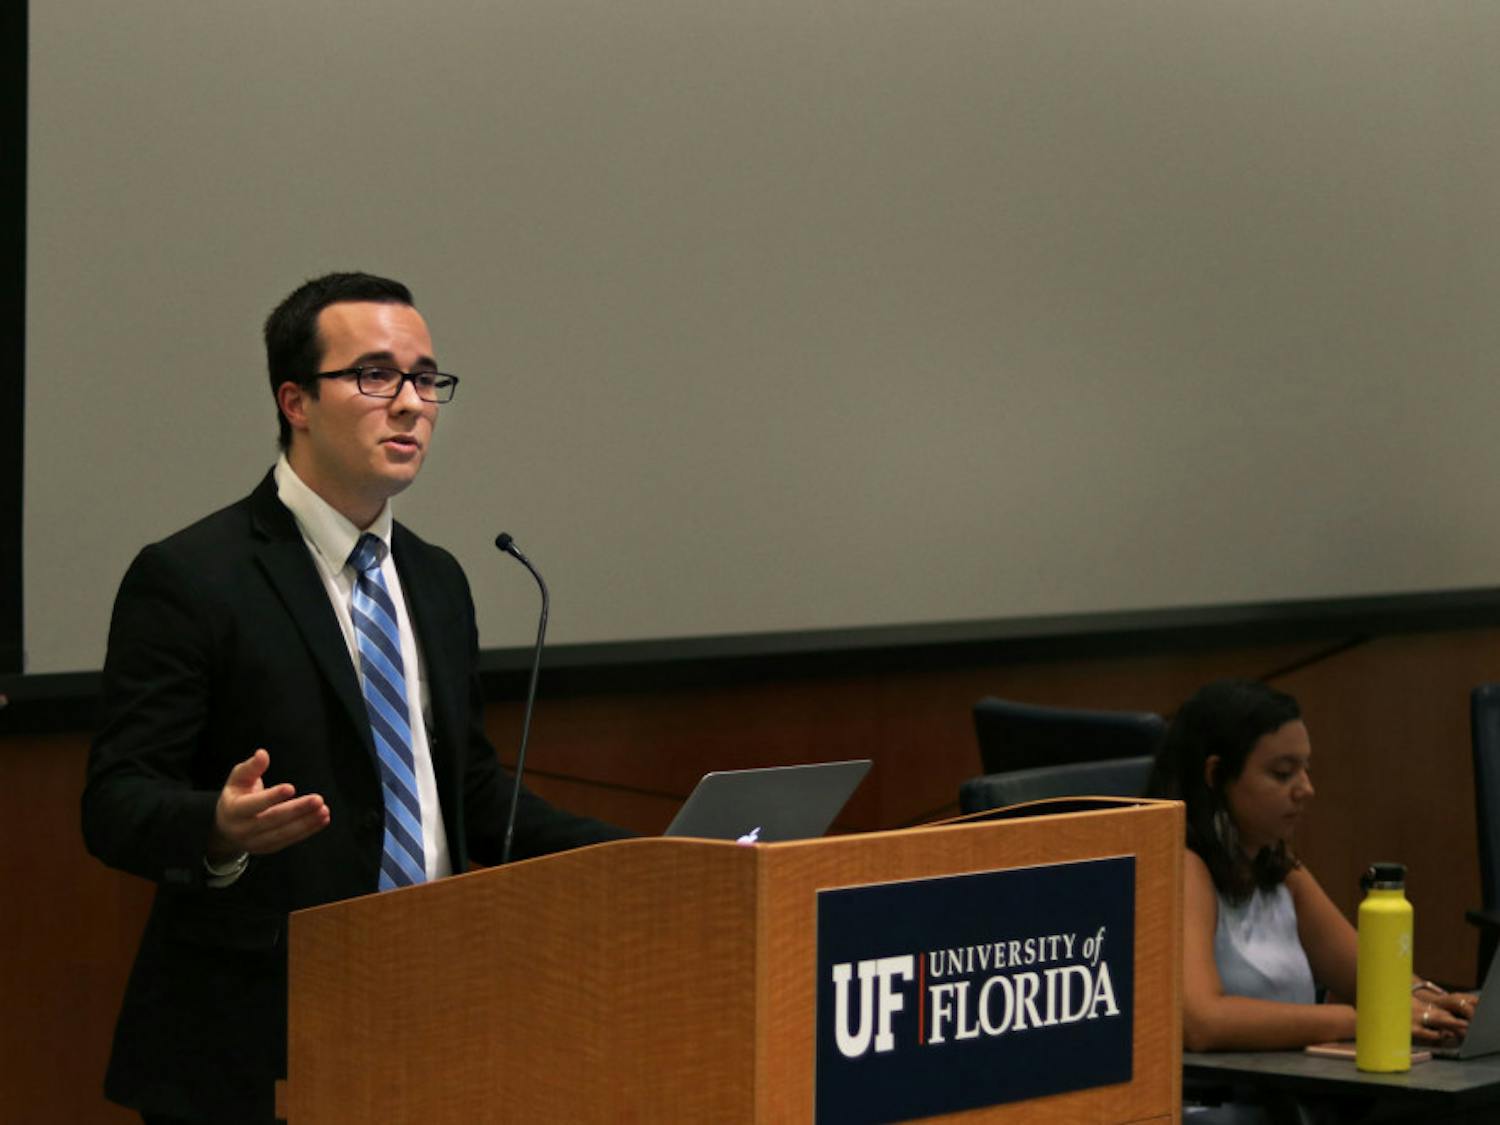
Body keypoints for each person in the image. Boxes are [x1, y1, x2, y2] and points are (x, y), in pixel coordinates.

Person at [81, 272, 631, 1124]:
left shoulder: (437, 579)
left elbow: (467, 791)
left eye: (426, 378)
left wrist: (643, 855)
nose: (411, 404)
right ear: (295, 401)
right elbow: (115, 802)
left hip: (440, 1009)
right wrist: (219, 828)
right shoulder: (193, 577)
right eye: (376, 375)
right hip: (261, 1038)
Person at [1146, 678, 1473, 1053]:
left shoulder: (1278, 866)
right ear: (1216, 775)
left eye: (1305, 769)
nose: (1306, 789)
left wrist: (1435, 1001)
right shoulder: (1183, 867)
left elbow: (1374, 981)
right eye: (1283, 773)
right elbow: (1202, 1022)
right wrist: (1361, 1020)